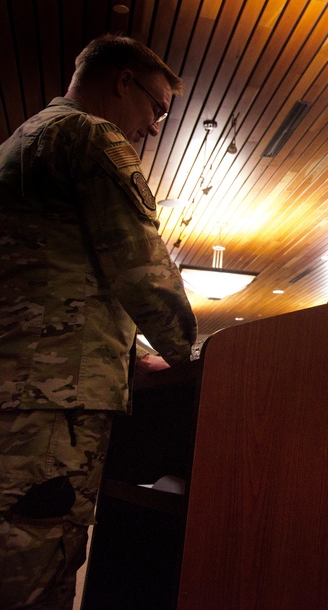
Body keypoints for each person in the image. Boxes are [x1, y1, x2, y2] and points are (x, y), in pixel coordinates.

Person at [0, 34, 198, 609]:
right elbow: (142, 272)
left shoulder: (24, 139)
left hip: (22, 394)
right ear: (121, 81)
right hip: (52, 407)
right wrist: (196, 355)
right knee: (37, 568)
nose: (155, 126)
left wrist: (135, 356)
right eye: (157, 107)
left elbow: (53, 283)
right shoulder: (92, 136)